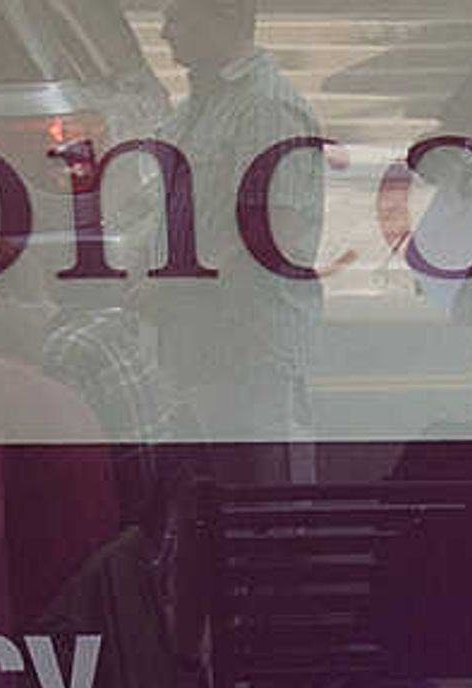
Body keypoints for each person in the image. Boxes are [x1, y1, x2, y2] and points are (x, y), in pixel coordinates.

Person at [151, 0, 323, 440]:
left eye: (179, 18)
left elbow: (273, 233)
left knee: (261, 492)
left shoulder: (266, 108)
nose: (164, 32)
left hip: (253, 349)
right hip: (198, 343)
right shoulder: (197, 108)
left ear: (224, 19)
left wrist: (177, 282)